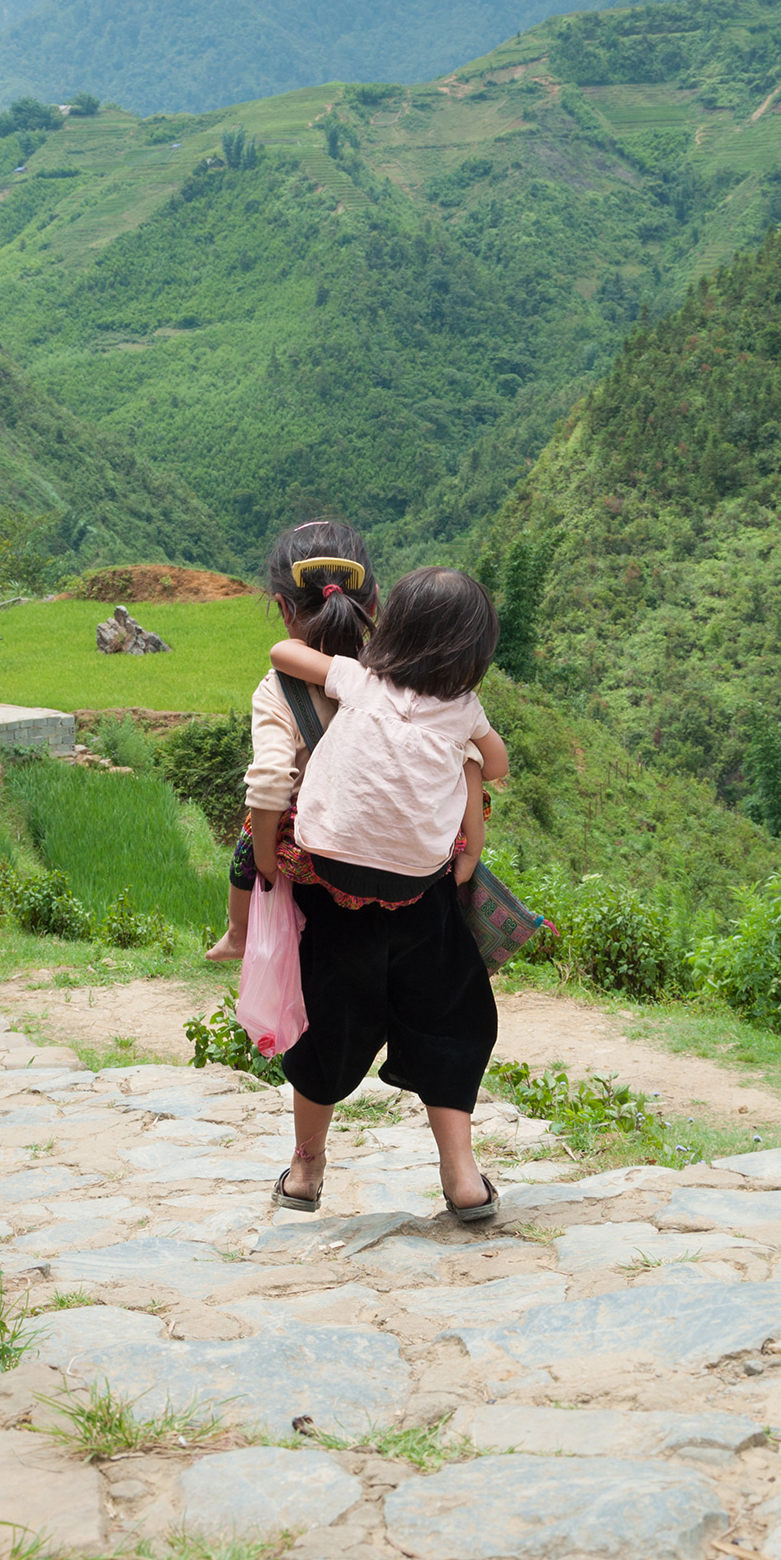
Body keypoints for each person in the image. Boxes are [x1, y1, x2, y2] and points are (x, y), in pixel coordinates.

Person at [267, 564, 510, 1222]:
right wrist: (464, 755)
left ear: (393, 627)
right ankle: (462, 1178)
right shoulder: (462, 706)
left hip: (331, 878)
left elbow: (280, 652)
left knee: (326, 1026)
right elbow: (500, 766)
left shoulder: (359, 679)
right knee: (454, 1016)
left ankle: (304, 1172)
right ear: (472, 653)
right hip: (420, 888)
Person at [205, 518, 379, 962]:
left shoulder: (280, 689)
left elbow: (268, 784)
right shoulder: (399, 675)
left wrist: (267, 866)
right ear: (373, 604)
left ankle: (236, 933)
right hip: (403, 863)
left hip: (315, 867)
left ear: (283, 608)